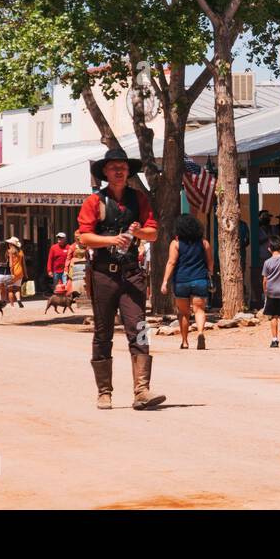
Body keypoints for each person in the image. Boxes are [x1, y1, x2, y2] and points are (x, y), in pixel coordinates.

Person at [77, 146, 164, 410]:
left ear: (129, 172)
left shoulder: (139, 199)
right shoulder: (94, 201)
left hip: (132, 274)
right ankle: (104, 392)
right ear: (105, 171)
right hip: (103, 274)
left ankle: (142, 390)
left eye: (123, 167)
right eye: (114, 167)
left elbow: (154, 234)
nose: (119, 171)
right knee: (103, 333)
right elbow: (83, 237)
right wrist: (111, 240)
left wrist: (136, 233)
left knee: (139, 329)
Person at [160, 214, 212, 350]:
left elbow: (171, 262)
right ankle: (200, 333)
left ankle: (184, 341)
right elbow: (210, 261)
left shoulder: (176, 244)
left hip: (181, 280)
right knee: (199, 310)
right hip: (200, 279)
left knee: (183, 313)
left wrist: (165, 281)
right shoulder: (204, 243)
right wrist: (209, 274)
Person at [6, 237, 26, 308]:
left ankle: (12, 305)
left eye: (9, 243)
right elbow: (23, 264)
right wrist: (25, 274)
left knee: (10, 290)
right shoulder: (21, 252)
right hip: (20, 271)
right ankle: (18, 300)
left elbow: (11, 264)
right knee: (17, 288)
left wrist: (11, 274)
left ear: (11, 244)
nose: (8, 244)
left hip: (13, 272)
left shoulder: (10, 251)